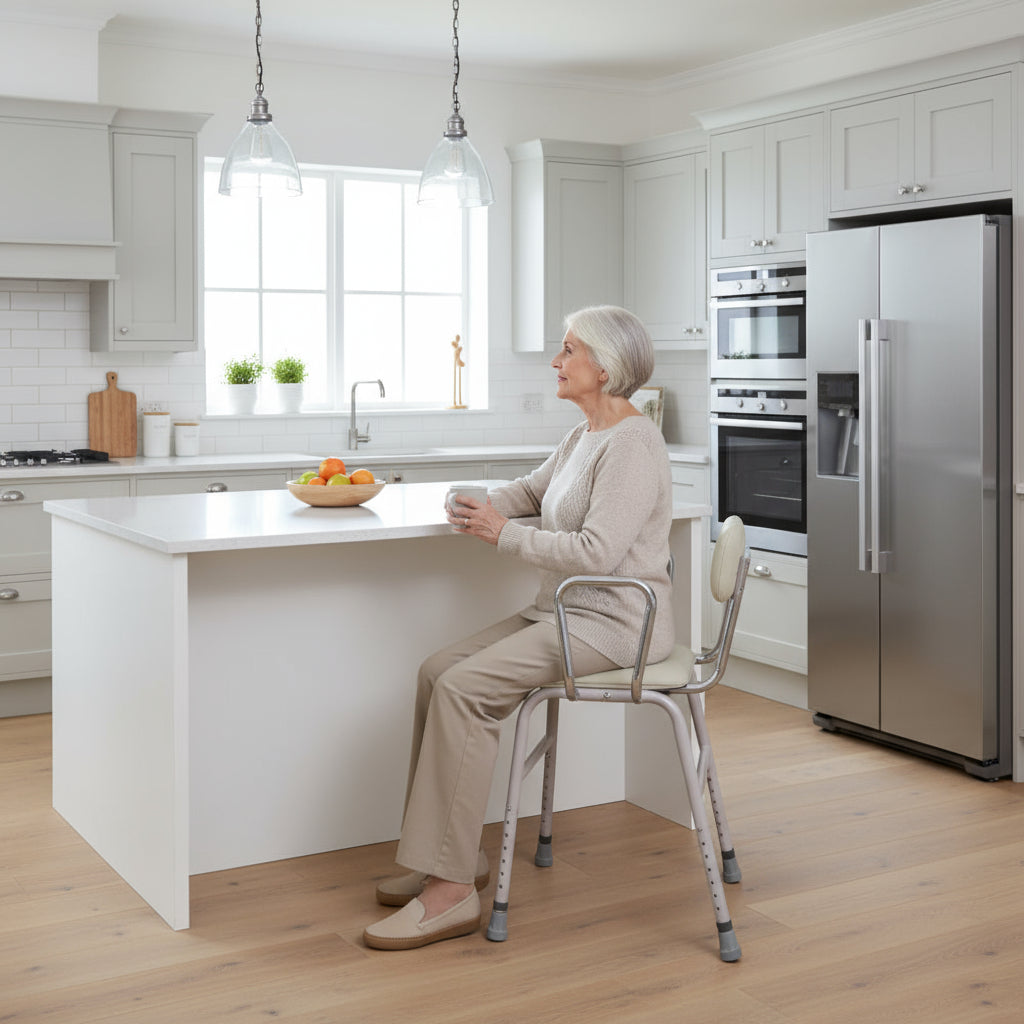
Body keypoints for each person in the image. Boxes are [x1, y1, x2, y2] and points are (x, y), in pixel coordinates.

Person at [363, 305, 674, 951]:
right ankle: (451, 855)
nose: (556, 363)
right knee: (437, 671)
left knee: (465, 689)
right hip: (562, 612)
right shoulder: (586, 434)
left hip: (615, 622)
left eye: (568, 351)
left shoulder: (634, 443)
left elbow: (596, 552)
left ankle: (449, 896)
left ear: (604, 366)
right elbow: (533, 491)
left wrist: (504, 536)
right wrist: (481, 504)